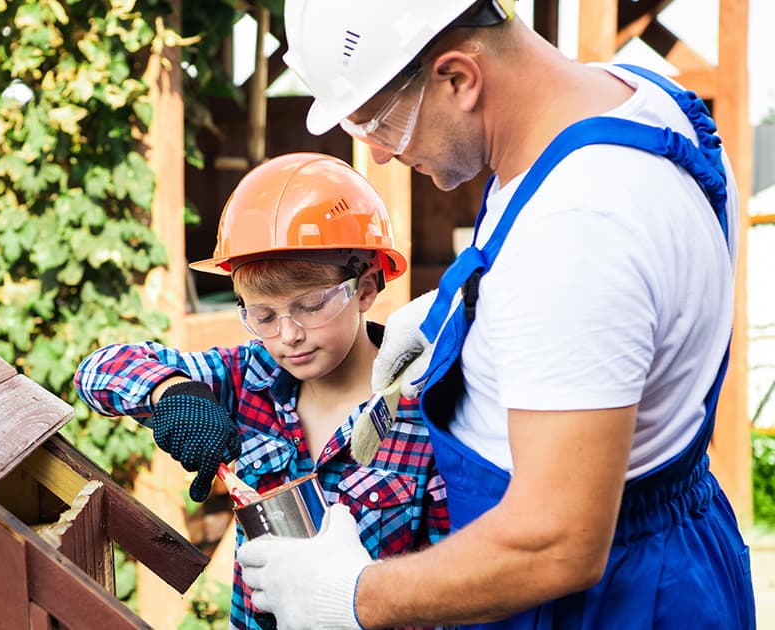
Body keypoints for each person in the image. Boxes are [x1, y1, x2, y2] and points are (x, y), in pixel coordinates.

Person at [237, 1, 757, 629]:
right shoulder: (625, 101)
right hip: (674, 552)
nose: (377, 155)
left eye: (379, 123)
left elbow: (555, 540)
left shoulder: (580, 228)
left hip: (605, 604)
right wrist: (469, 319)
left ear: (458, 78)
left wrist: (350, 595)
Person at [74, 152, 448, 630]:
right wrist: (170, 390)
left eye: (310, 306)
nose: (287, 335)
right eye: (263, 316)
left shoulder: (423, 409)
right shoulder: (245, 378)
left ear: (367, 288)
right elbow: (97, 370)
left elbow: (448, 583)